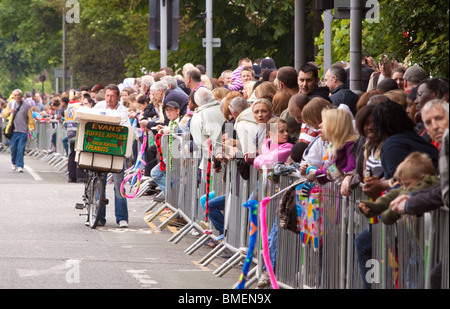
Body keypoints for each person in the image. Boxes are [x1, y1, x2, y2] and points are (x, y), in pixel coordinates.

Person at [358, 151, 438, 225]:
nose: (405, 188)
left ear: (422, 177)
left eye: (407, 184)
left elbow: (407, 193)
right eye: (403, 185)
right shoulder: (410, 186)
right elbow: (395, 193)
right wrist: (374, 206)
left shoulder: (428, 183)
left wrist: (390, 214)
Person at [93, 84, 131, 228]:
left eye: (112, 96)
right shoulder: (98, 107)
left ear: (118, 97)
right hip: (100, 149)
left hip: (116, 151)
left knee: (118, 186)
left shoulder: (122, 111)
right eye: (107, 95)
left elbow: (125, 127)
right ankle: (99, 217)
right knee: (99, 183)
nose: (109, 99)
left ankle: (122, 218)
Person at [306, 108, 357, 185]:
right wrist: (318, 174)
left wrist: (317, 173)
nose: (320, 125)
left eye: (324, 122)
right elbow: (330, 169)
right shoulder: (333, 146)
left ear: (334, 127)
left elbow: (351, 169)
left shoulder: (350, 145)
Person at [2, 89, 35, 172]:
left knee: (21, 148)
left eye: (19, 95)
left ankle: (20, 165)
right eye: (15, 95)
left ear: (21, 95)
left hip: (23, 131)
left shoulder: (27, 106)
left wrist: (31, 128)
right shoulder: (10, 104)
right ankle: (13, 162)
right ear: (13, 96)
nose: (17, 97)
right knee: (13, 148)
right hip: (13, 131)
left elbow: (30, 119)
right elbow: (4, 115)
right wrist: (9, 112)